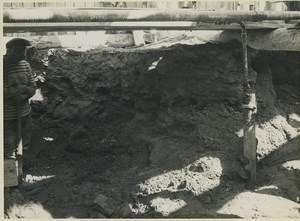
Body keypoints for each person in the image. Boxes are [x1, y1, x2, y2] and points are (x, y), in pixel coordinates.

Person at [3, 38, 36, 159]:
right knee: (8, 144)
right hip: (7, 115)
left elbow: (32, 87)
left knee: (26, 139)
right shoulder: (3, 66)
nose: (22, 54)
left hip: (25, 111)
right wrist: (21, 89)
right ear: (9, 50)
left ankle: (23, 163)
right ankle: (10, 168)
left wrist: (23, 94)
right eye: (18, 51)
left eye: (23, 51)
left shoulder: (25, 65)